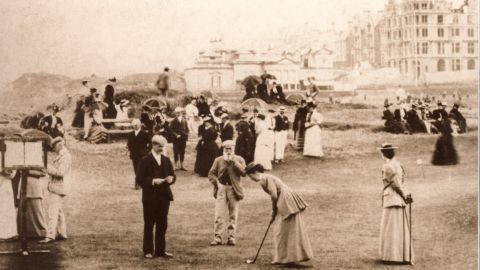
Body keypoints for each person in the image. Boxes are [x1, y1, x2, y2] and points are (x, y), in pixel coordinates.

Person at [245, 162, 313, 265]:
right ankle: (284, 258)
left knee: (283, 230)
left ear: (255, 172)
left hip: (286, 200)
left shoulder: (264, 178)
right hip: (285, 200)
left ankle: (286, 258)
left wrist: (273, 211)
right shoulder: (266, 178)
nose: (251, 179)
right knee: (283, 230)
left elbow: (274, 195)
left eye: (250, 176)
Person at [135, 135, 176, 259]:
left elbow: (172, 175)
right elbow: (139, 179)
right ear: (153, 145)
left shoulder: (166, 159)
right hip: (150, 198)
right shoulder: (145, 160)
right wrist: (153, 181)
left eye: (163, 146)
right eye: (159, 146)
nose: (162, 149)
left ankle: (160, 250)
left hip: (164, 197)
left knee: (162, 224)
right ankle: (148, 250)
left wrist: (171, 179)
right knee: (149, 224)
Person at [378, 143, 414, 264]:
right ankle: (400, 256)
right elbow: (403, 182)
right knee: (398, 226)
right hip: (398, 199)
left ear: (384, 154)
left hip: (392, 199)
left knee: (391, 227)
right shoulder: (399, 165)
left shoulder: (388, 166)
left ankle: (392, 256)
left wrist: (405, 195)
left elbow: (396, 184)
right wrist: (407, 194)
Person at [208, 140, 246, 246]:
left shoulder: (239, 159)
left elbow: (243, 173)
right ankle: (217, 238)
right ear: (223, 149)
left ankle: (231, 237)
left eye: (230, 148)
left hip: (234, 190)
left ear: (234, 148)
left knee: (233, 215)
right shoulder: (218, 160)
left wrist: (234, 162)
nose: (228, 151)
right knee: (219, 214)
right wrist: (217, 183)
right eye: (226, 148)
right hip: (221, 188)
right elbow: (211, 174)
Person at [39, 137, 73, 243]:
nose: (53, 149)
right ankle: (62, 233)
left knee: (52, 211)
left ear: (59, 145)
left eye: (54, 146)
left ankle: (50, 235)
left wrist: (46, 167)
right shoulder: (62, 155)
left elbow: (60, 173)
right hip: (57, 186)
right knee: (58, 211)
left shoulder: (65, 157)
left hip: (59, 186)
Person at [127, 119, 151, 190]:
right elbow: (129, 144)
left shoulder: (144, 133)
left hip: (142, 155)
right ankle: (138, 183)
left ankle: (139, 183)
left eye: (136, 125)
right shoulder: (130, 134)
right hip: (134, 155)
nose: (135, 126)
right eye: (134, 125)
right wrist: (130, 149)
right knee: (135, 168)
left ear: (140, 125)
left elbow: (151, 143)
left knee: (141, 169)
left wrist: (147, 151)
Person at [0, 170, 17, 240]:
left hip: (6, 184)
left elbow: (13, 174)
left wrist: (8, 172)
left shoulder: (11, 159)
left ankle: (9, 233)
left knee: (7, 207)